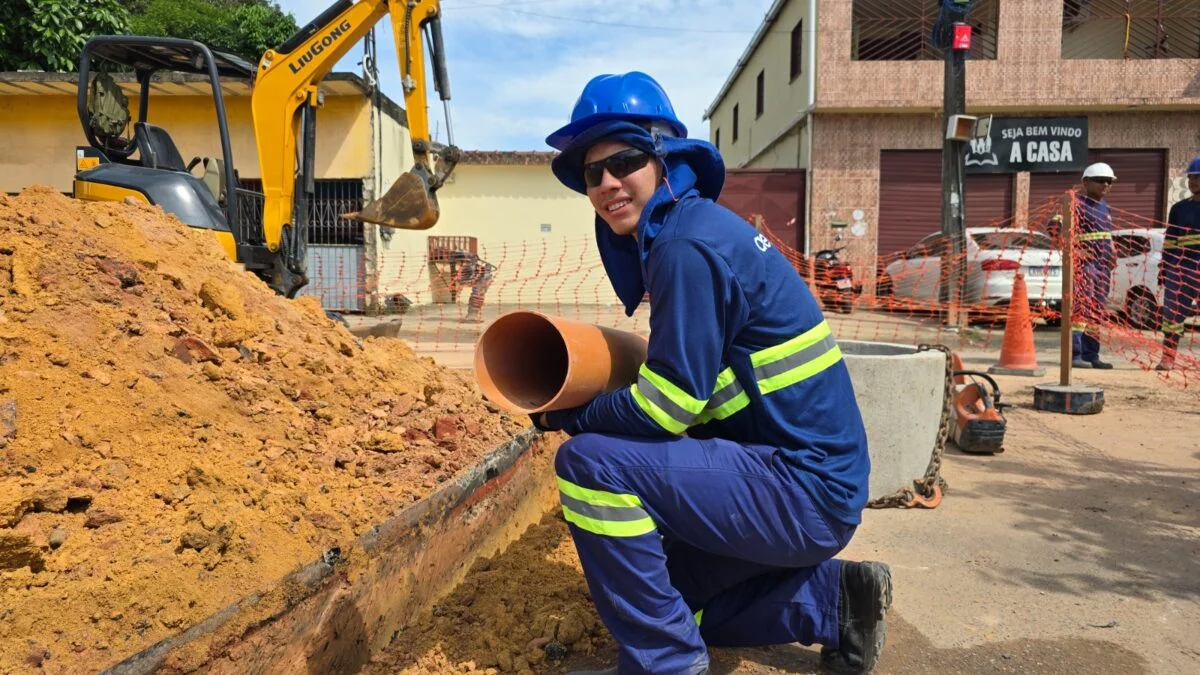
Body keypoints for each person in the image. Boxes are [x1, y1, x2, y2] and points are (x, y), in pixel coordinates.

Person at [533, 71, 889, 675]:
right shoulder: (693, 228)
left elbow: (667, 405)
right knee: (673, 598)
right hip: (812, 484)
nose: (608, 183)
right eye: (592, 173)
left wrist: (575, 415)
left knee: (588, 463)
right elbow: (698, 390)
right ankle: (838, 603)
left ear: (664, 158)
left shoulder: (684, 247)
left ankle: (665, 665)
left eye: (624, 162)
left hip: (800, 490)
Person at [1069, 162, 1119, 369]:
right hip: (1085, 266)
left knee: (1097, 310)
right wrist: (1075, 252)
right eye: (1100, 180)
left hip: (1103, 267)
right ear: (1086, 182)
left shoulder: (1105, 207)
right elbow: (1055, 230)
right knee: (1082, 309)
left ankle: (1091, 355)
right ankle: (1075, 354)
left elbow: (1106, 234)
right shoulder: (1075, 204)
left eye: (1109, 181)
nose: (1105, 184)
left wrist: (1112, 250)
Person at [1156, 157, 1200, 371]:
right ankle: (1167, 358)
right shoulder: (1179, 208)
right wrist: (1165, 267)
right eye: (1190, 177)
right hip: (1180, 269)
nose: (1192, 181)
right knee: (1172, 316)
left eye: (1197, 177)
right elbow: (1170, 241)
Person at [448, 249, 496, 323]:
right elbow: (463, 278)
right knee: (477, 294)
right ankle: (472, 315)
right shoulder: (464, 265)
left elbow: (470, 277)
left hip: (484, 277)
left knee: (477, 294)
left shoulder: (472, 264)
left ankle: (472, 315)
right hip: (479, 276)